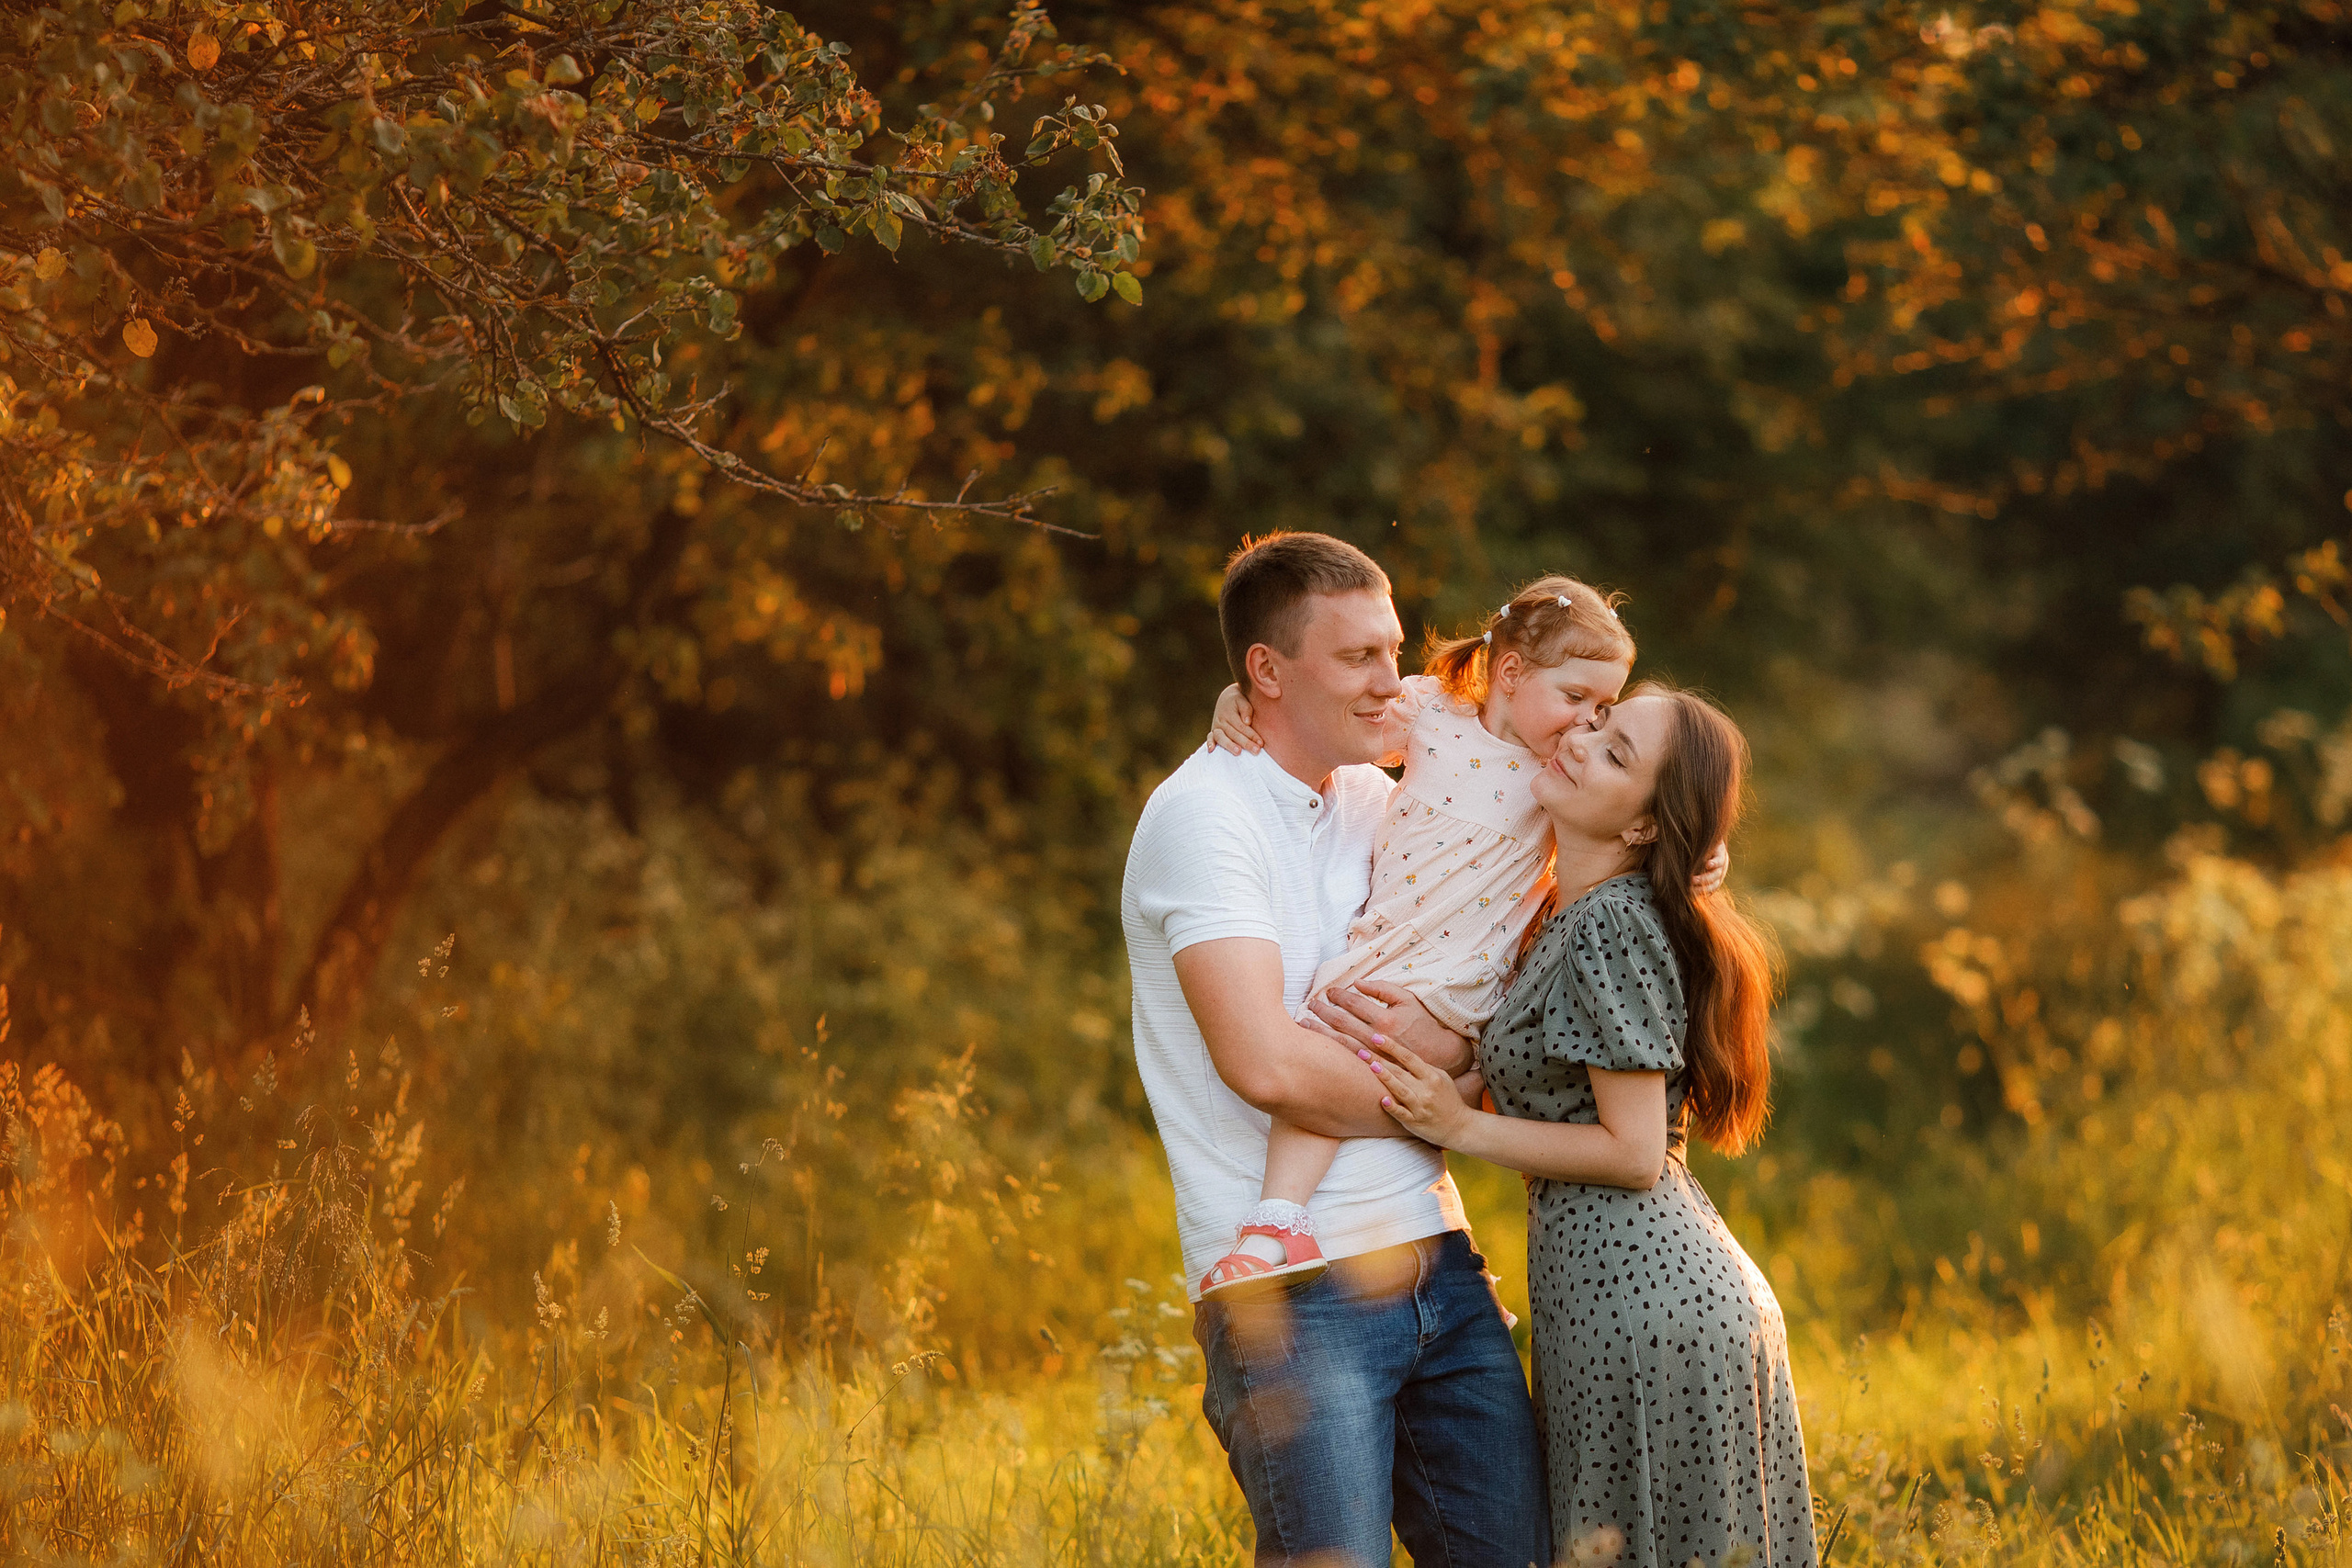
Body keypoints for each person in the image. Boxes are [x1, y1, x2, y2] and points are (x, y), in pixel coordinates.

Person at [1121, 531, 1551, 1567]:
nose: (1387, 681)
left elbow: (1550, 755)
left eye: (1391, 649)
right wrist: (1447, 1094)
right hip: (1292, 1293)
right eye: (1355, 656)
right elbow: (1264, 1065)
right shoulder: (1201, 817)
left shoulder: (1375, 795)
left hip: (1440, 1267)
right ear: (1264, 671)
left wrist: (1691, 840)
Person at [1356, 683, 1819, 1568]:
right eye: (1600, 719)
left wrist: (1460, 1124)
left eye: (1615, 752)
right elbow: (1444, 698)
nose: (1581, 739)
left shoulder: (1608, 923)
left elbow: (1636, 1152)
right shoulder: (1561, 909)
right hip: (1619, 1295)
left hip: (1646, 1307)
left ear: (1645, 824)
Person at [1193, 578, 1667, 1299]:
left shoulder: (1559, 773)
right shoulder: (1434, 715)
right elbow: (1329, 716)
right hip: (1396, 949)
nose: (1585, 724)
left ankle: (1316, 1231)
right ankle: (1283, 1217)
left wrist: (1706, 865)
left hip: (1472, 981)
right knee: (1329, 1043)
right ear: (1510, 673)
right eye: (1575, 699)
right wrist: (1241, 700)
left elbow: (1643, 823)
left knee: (1395, 1071)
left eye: (1601, 709)